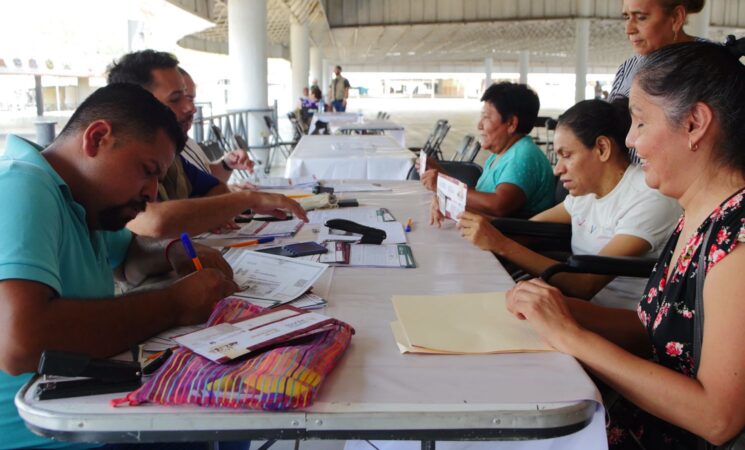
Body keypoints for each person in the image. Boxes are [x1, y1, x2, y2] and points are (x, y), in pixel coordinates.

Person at [506, 40, 745, 448]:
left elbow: (717, 419)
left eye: (640, 122)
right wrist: (557, 311)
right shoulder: (696, 214)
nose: (630, 141)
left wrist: (571, 336)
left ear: (694, 123)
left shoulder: (736, 240)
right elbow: (653, 329)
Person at [0, 83, 239, 449]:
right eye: (146, 170)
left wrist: (174, 251)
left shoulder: (81, 199)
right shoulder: (21, 185)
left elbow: (129, 257)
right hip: (47, 431)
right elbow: (20, 343)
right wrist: (175, 304)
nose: (151, 192)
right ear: (97, 138)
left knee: (234, 411)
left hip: (90, 408)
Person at [458, 99, 680, 310]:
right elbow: (524, 230)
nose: (558, 169)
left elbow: (583, 285)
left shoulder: (648, 197)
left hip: (618, 320)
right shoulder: (585, 193)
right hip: (578, 308)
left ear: (602, 148)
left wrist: (501, 244)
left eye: (567, 155)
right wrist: (464, 214)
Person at [106, 50, 307, 238]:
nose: (191, 108)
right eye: (176, 99)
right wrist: (247, 199)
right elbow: (156, 221)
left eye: (189, 98)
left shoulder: (170, 153)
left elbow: (214, 189)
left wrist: (206, 213)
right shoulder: (116, 162)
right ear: (136, 105)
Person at [423, 82, 555, 225]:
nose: (479, 125)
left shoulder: (523, 156)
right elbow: (481, 195)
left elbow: (498, 205)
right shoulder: (501, 153)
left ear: (511, 123)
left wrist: (445, 187)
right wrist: (442, 179)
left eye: (486, 117)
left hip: (508, 242)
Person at [609, 0, 704, 101]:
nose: (628, 30)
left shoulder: (713, 63)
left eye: (641, 17)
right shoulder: (627, 68)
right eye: (627, 17)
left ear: (676, 17)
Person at [178, 67, 255, 184]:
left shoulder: (185, 141)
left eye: (191, 100)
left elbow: (206, 179)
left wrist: (226, 164)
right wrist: (232, 195)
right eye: (175, 99)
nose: (192, 109)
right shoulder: (158, 155)